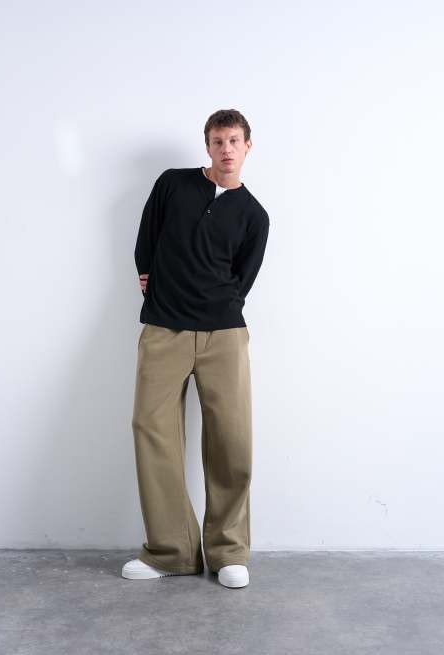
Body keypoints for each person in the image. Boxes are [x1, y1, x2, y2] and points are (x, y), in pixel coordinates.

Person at [122, 109, 270, 588]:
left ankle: (229, 552)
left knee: (232, 440)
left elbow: (242, 279)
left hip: (224, 336)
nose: (226, 149)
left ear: (248, 146)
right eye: (217, 141)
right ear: (207, 146)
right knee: (152, 431)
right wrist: (150, 278)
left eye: (234, 141)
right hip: (163, 330)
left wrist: (216, 307)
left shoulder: (254, 216)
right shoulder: (173, 184)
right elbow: (146, 240)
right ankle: (173, 550)